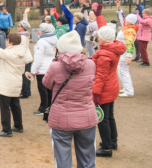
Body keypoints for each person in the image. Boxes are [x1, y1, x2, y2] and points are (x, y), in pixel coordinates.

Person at [43, 31, 98, 168]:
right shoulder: (91, 64)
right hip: (87, 116)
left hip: (61, 118)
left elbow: (46, 84)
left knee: (62, 158)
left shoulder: (55, 66)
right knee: (87, 158)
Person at [0, 25, 26, 137]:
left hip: (7, 83)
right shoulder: (22, 53)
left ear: (10, 42)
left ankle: (6, 130)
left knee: (5, 107)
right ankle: (18, 125)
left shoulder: (9, 53)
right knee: (15, 105)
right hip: (17, 82)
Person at [92, 26, 126, 157]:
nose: (98, 38)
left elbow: (100, 76)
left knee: (102, 119)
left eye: (100, 36)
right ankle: (112, 141)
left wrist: (95, 93)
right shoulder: (113, 48)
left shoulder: (104, 55)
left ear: (103, 39)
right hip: (112, 86)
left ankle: (106, 148)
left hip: (104, 89)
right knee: (110, 116)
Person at [30, 23, 58, 115]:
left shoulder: (41, 41)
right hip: (52, 66)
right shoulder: (55, 39)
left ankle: (43, 107)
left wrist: (33, 71)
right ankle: (50, 106)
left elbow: (38, 58)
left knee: (42, 89)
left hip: (42, 69)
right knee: (50, 89)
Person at [116, 0, 138, 98]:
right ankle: (126, 88)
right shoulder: (127, 27)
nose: (125, 21)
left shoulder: (129, 31)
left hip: (124, 54)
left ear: (130, 21)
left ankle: (129, 91)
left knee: (123, 71)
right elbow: (122, 18)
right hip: (121, 53)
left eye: (127, 20)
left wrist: (129, 56)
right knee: (121, 71)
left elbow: (130, 44)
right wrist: (119, 8)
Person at [19, 7, 33, 99]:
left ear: (22, 28)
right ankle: (27, 90)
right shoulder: (25, 34)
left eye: (19, 26)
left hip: (26, 58)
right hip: (29, 57)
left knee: (24, 76)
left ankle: (25, 92)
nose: (18, 27)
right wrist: (25, 14)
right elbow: (25, 23)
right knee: (27, 75)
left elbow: (23, 49)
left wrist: (23, 59)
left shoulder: (22, 37)